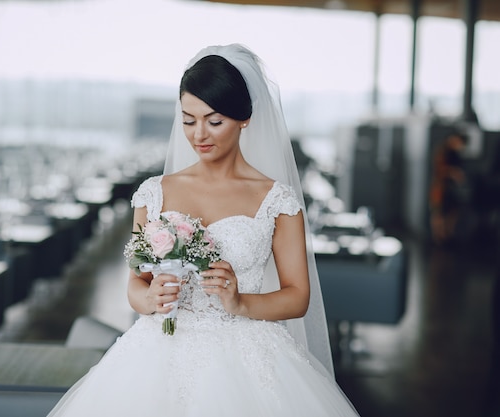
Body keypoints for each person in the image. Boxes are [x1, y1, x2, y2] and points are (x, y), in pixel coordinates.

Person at [46, 44, 359, 416]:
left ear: (244, 118)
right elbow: (136, 283)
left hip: (248, 356)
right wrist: (151, 299)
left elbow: (297, 297)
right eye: (188, 119)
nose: (199, 135)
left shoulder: (277, 200)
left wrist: (241, 302)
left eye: (214, 121)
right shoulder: (154, 192)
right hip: (157, 353)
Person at [429, 132, 468, 245]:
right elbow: (439, 170)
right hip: (441, 188)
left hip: (451, 189)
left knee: (452, 212)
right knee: (439, 213)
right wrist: (452, 172)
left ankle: (447, 235)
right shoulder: (443, 152)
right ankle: (440, 238)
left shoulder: (455, 154)